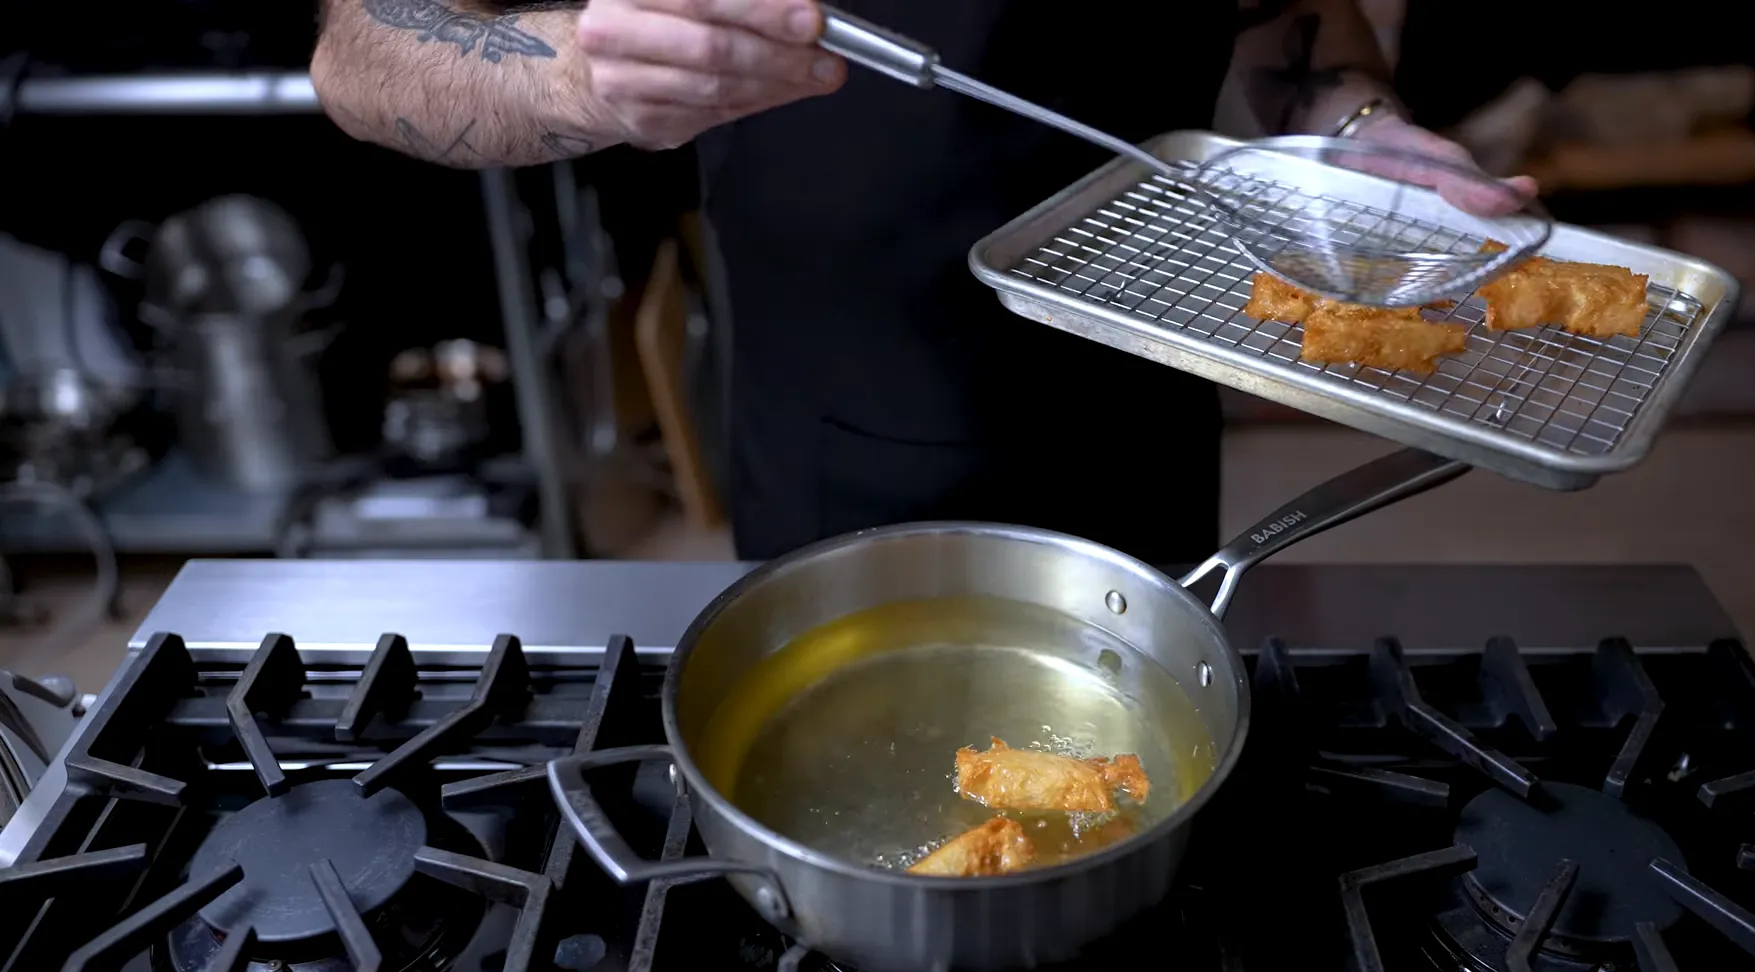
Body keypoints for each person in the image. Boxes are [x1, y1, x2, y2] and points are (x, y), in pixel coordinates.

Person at [311, 0, 1532, 565]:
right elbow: (362, 47)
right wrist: (583, 79)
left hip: (1142, 407)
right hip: (841, 426)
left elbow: (1289, 24)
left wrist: (1352, 124)